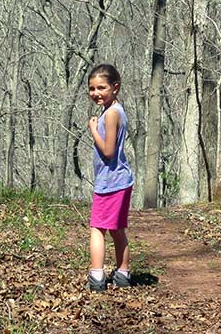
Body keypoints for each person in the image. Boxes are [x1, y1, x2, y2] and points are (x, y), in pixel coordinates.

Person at [85, 64, 135, 292]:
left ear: (115, 87)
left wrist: (93, 129)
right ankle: (123, 273)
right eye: (92, 88)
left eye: (101, 88)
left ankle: (97, 275)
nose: (96, 93)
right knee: (117, 229)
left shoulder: (111, 114)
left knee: (97, 228)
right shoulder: (113, 110)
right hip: (120, 181)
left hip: (110, 183)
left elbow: (108, 151)